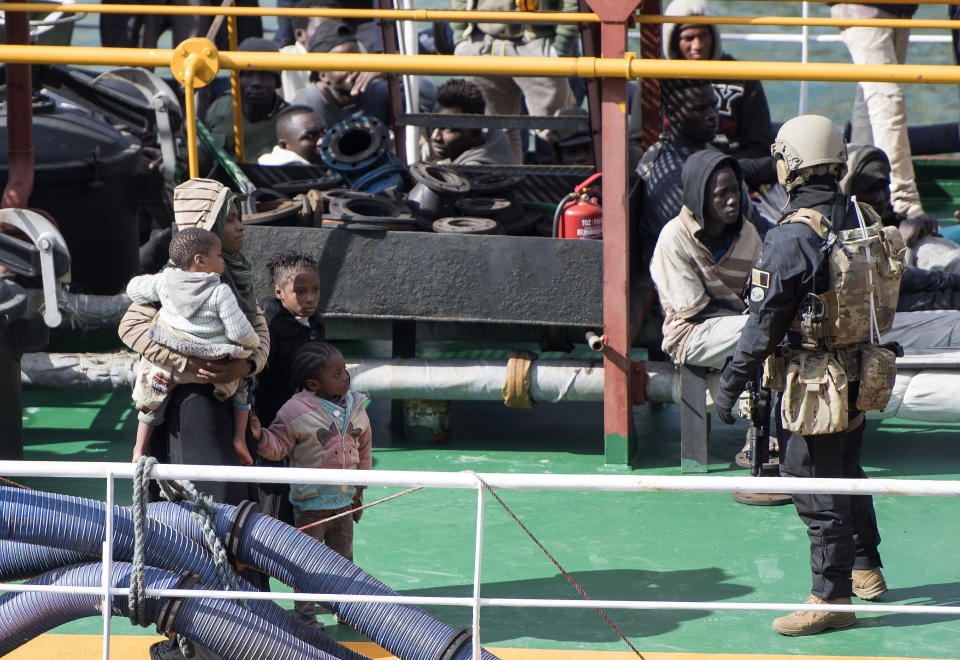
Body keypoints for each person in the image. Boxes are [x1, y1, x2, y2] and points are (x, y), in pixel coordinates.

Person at [713, 115, 896, 636]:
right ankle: (867, 569)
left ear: (789, 164)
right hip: (862, 371)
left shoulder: (792, 236)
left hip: (815, 383)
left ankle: (830, 597)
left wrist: (729, 385)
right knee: (848, 474)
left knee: (814, 486)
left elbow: (763, 324)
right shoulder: (863, 215)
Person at [118, 178, 270, 506]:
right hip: (191, 408)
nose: (240, 227)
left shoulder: (236, 277)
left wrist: (246, 365)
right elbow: (130, 327)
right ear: (207, 226)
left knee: (237, 497)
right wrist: (188, 363)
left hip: (230, 399)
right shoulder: (174, 280)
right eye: (229, 220)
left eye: (238, 218)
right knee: (210, 501)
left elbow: (259, 327)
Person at [251, 341, 372, 629]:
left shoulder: (356, 406)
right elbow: (278, 446)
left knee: (343, 561)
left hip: (343, 503)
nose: (345, 377)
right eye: (337, 373)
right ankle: (306, 618)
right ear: (313, 383)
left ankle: (345, 610)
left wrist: (360, 490)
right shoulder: (296, 411)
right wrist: (260, 438)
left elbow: (364, 448)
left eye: (345, 371)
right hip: (310, 505)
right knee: (306, 565)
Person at [126, 227, 260, 468]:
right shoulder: (220, 292)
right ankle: (239, 439)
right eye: (218, 256)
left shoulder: (165, 281)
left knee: (152, 400)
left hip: (170, 365)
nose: (222, 260)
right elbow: (238, 331)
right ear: (200, 260)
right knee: (242, 384)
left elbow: (134, 289)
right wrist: (253, 344)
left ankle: (139, 449)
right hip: (211, 369)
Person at [634, 0, 776, 188]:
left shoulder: (743, 78)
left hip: (732, 176)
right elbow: (635, 143)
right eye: (689, 38)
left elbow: (760, 147)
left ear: (714, 35)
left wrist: (724, 168)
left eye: (703, 36)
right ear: (673, 39)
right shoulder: (653, 80)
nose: (697, 45)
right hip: (672, 172)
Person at [649, 151, 761, 370]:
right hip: (691, 335)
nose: (733, 200)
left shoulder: (748, 234)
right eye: (722, 194)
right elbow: (694, 310)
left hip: (737, 330)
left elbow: (759, 289)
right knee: (766, 328)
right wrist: (756, 319)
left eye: (735, 190)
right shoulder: (674, 237)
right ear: (700, 197)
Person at [832, 2, 936, 227]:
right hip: (865, 9)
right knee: (887, 100)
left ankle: (859, 194)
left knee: (873, 100)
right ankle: (904, 202)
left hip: (898, 10)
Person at [450, 0, 578, 163]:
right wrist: (462, 38)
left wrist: (562, 44)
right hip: (482, 41)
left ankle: (578, 184)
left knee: (560, 127)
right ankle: (507, 184)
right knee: (496, 131)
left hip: (535, 42)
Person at [252, 250, 326, 527]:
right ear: (280, 292)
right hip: (273, 426)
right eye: (300, 292)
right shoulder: (268, 328)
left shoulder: (317, 324)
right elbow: (257, 379)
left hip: (306, 429)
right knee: (274, 500)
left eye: (315, 290)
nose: (310, 298)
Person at [293, 20, 437, 129]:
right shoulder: (307, 104)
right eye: (342, 64)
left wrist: (393, 70)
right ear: (323, 75)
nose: (352, 68)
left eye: (356, 59)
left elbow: (428, 97)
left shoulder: (377, 92)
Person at [203, 38, 288, 165]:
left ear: (276, 82)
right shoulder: (220, 108)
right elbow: (203, 156)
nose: (256, 83)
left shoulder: (288, 119)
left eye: (265, 76)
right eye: (248, 75)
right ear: (236, 79)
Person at [430, 78, 515, 165]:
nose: (435, 137)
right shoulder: (494, 146)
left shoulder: (472, 173)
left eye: (447, 129)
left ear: (475, 133)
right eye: (433, 126)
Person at [279, 0, 341, 102]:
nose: (334, 34)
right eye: (324, 29)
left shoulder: (354, 50)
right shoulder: (278, 61)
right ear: (300, 35)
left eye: (339, 28)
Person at [258, 106, 327, 166]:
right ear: (284, 146)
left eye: (324, 132)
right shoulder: (284, 174)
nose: (322, 140)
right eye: (309, 137)